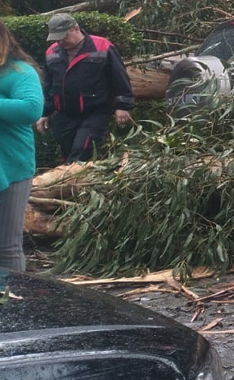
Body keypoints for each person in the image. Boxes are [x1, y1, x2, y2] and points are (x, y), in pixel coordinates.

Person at [34, 14, 134, 163]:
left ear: (76, 28)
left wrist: (123, 105)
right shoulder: (51, 52)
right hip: (65, 113)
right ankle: (74, 184)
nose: (60, 41)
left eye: (64, 36)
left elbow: (119, 77)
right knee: (68, 154)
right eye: (56, 38)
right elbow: (50, 85)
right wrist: (45, 112)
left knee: (81, 152)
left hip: (95, 111)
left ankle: (71, 181)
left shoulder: (102, 46)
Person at [0, 20, 43, 271]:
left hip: (12, 165)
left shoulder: (20, 72)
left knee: (6, 246)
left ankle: (12, 306)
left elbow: (31, 108)